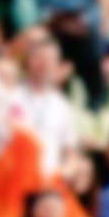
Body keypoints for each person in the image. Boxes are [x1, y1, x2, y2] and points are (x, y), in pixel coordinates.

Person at [16, 36, 77, 176]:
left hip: (48, 183)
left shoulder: (62, 105)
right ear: (28, 60)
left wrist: (62, 173)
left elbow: (70, 154)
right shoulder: (11, 97)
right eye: (39, 57)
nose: (44, 64)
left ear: (57, 64)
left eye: (50, 59)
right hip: (16, 178)